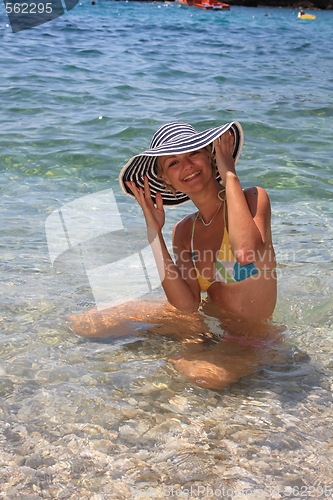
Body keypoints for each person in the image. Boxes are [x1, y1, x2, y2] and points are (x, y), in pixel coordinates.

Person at [70, 121, 280, 390]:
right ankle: (193, 343)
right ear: (166, 180)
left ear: (209, 156)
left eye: (193, 153)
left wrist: (229, 173)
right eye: (173, 163)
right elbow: (186, 304)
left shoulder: (253, 198)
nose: (187, 166)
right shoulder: (185, 231)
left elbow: (244, 252)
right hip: (202, 321)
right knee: (86, 323)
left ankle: (193, 351)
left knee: (201, 375)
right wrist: (154, 232)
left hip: (250, 338)